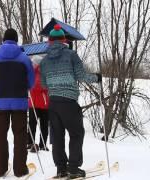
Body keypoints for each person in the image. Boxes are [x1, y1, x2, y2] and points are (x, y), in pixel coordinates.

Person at [40, 24, 102, 179]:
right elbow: (81, 76)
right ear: (63, 39)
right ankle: (73, 168)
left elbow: (43, 84)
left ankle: (61, 168)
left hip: (53, 102)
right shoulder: (71, 55)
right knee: (76, 134)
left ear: (49, 41)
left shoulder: (44, 61)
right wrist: (96, 77)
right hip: (68, 102)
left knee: (58, 136)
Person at [0, 29, 35, 178]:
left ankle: (0, 169)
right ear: (16, 40)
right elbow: (31, 83)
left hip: (0, 103)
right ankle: (20, 170)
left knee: (0, 136)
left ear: (3, 40)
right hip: (20, 102)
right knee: (20, 136)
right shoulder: (25, 59)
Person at [27, 55, 50, 152]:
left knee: (44, 125)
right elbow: (32, 85)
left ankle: (43, 144)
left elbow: (44, 85)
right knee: (32, 124)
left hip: (44, 103)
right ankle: (30, 143)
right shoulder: (31, 72)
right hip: (33, 103)